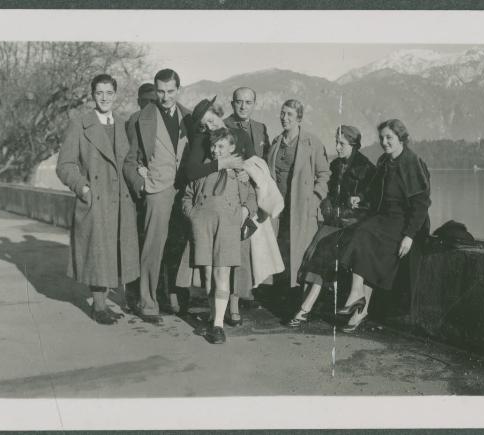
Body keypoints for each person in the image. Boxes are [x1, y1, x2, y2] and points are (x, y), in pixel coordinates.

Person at [56, 73, 140, 325]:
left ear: (115, 95)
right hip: (96, 200)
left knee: (114, 252)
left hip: (122, 202)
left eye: (109, 93)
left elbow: (130, 162)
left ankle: (107, 304)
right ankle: (99, 306)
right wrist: (83, 188)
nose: (104, 98)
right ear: (93, 95)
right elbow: (65, 165)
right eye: (99, 93)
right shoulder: (80, 124)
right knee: (98, 253)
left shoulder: (124, 125)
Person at [336, 119, 431, 332]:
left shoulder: (411, 161)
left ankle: (357, 299)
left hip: (406, 222)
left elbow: (421, 204)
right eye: (382, 138)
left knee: (366, 237)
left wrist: (409, 235)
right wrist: (360, 198)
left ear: (401, 138)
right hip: (386, 218)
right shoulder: (384, 161)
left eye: (389, 138)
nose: (385, 142)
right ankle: (358, 297)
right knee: (362, 235)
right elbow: (373, 189)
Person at [178, 97, 256, 327]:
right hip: (207, 213)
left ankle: (228, 311)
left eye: (211, 120)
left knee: (229, 264)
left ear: (218, 112)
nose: (210, 127)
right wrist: (193, 214)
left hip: (232, 213)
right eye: (205, 124)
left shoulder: (239, 136)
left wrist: (246, 176)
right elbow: (192, 175)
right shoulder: (204, 140)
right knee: (210, 271)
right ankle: (215, 316)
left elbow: (253, 166)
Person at [287, 125, 376, 327]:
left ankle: (305, 308)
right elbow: (328, 195)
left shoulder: (367, 169)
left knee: (323, 250)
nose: (337, 147)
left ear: (354, 145)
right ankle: (306, 305)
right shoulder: (335, 165)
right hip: (335, 221)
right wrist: (326, 205)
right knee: (313, 251)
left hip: (354, 224)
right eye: (336, 142)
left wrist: (359, 200)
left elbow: (372, 202)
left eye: (341, 143)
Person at [123, 69, 192, 324]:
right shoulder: (140, 119)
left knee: (178, 244)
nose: (165, 97)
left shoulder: (189, 117)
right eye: (160, 91)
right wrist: (141, 185)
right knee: (152, 247)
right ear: (155, 90)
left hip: (183, 189)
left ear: (178, 89)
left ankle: (172, 296)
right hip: (156, 191)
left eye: (170, 91)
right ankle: (147, 302)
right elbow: (129, 160)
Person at [267, 99, 331, 289]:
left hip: (300, 207)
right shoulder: (276, 142)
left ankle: (297, 297)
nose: (284, 118)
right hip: (277, 208)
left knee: (299, 253)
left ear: (299, 119)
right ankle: (277, 292)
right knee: (278, 249)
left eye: (290, 115)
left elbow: (325, 174)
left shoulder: (312, 143)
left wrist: (315, 199)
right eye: (282, 113)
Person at [224, 87, 270, 159]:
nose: (243, 107)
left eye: (248, 102)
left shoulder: (261, 127)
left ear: (254, 105)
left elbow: (267, 156)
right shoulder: (222, 126)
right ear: (232, 104)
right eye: (239, 102)